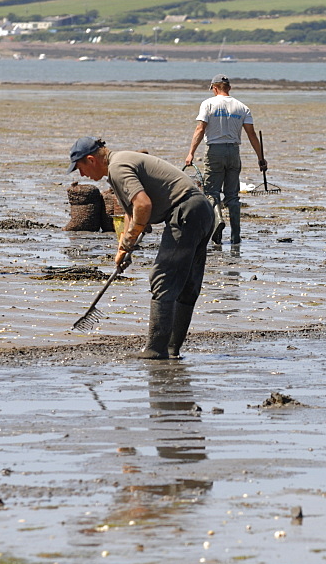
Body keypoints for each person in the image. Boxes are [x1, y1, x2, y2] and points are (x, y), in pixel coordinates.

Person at [68, 137, 214, 359]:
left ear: (91, 160)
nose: (81, 176)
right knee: (186, 284)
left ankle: (155, 350)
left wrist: (128, 242)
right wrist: (124, 249)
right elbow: (132, 213)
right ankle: (171, 350)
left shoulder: (118, 167)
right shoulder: (118, 166)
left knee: (162, 278)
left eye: (80, 169)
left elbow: (143, 206)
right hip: (200, 210)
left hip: (186, 211)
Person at [184, 74, 266, 246]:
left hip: (214, 151)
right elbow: (251, 134)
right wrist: (261, 158)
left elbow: (200, 129)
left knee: (212, 192)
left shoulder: (208, 104)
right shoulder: (242, 107)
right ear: (229, 88)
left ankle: (218, 225)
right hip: (234, 152)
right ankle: (236, 237)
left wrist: (191, 153)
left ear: (214, 88)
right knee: (232, 196)